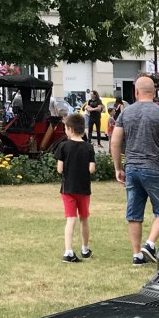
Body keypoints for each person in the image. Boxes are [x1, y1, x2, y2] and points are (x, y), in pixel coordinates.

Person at [109, 74, 159, 265]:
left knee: (134, 214)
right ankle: (149, 244)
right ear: (154, 91)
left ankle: (137, 254)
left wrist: (118, 168)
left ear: (136, 92)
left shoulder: (126, 113)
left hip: (132, 168)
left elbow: (115, 141)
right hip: (154, 167)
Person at [55, 112, 96, 263]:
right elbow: (91, 168)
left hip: (68, 189)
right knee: (84, 219)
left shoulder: (63, 146)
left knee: (70, 219)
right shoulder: (88, 147)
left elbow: (59, 169)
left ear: (70, 129)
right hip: (84, 189)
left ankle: (68, 251)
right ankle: (85, 249)